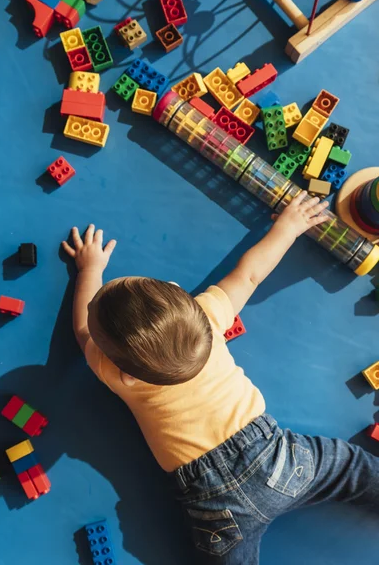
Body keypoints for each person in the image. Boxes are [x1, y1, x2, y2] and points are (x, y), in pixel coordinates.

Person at [62, 191, 379, 564]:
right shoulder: (207, 318)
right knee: (351, 469)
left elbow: (83, 329)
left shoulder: (117, 375)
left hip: (215, 503)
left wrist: (90, 270)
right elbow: (250, 274)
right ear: (180, 294)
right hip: (280, 460)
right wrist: (288, 227)